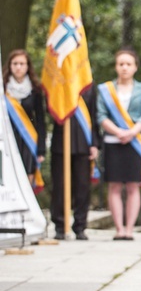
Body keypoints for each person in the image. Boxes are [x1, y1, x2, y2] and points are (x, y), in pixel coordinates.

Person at [97, 49, 141, 241]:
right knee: (114, 185)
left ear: (135, 67)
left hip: (134, 141)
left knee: (132, 185)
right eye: (121, 64)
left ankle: (129, 229)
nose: (124, 67)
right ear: (116, 66)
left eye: (128, 64)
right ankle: (118, 228)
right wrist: (118, 131)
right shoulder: (106, 89)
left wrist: (131, 132)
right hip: (113, 141)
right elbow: (101, 115)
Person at [50, 85, 101, 240]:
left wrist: (95, 143)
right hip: (61, 142)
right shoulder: (59, 82)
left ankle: (80, 226)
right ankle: (60, 226)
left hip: (83, 142)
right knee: (59, 186)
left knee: (82, 186)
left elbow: (94, 115)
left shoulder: (88, 87)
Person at [3, 49, 46, 189]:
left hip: (28, 139)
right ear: (9, 66)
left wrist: (41, 149)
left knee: (28, 172)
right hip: (8, 138)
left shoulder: (35, 89)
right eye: (15, 63)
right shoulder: (3, 88)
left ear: (28, 66)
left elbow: (40, 120)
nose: (18, 67)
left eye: (22, 63)